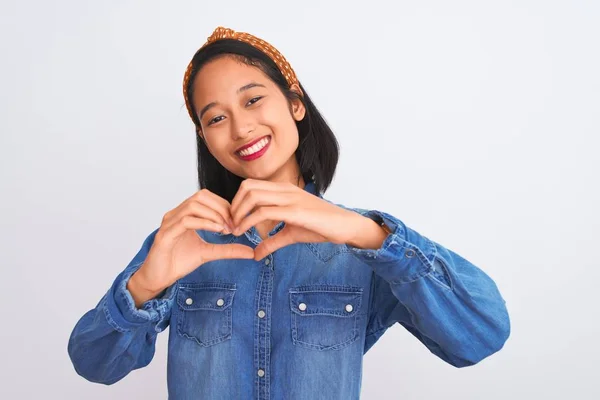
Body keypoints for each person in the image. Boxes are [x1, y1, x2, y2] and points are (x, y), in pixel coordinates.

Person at [67, 26, 510, 399]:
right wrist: (144, 285)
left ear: (295, 104)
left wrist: (367, 234)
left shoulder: (360, 244)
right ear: (206, 139)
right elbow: (94, 364)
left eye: (253, 100)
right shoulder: (188, 240)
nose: (241, 128)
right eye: (215, 119)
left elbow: (481, 335)